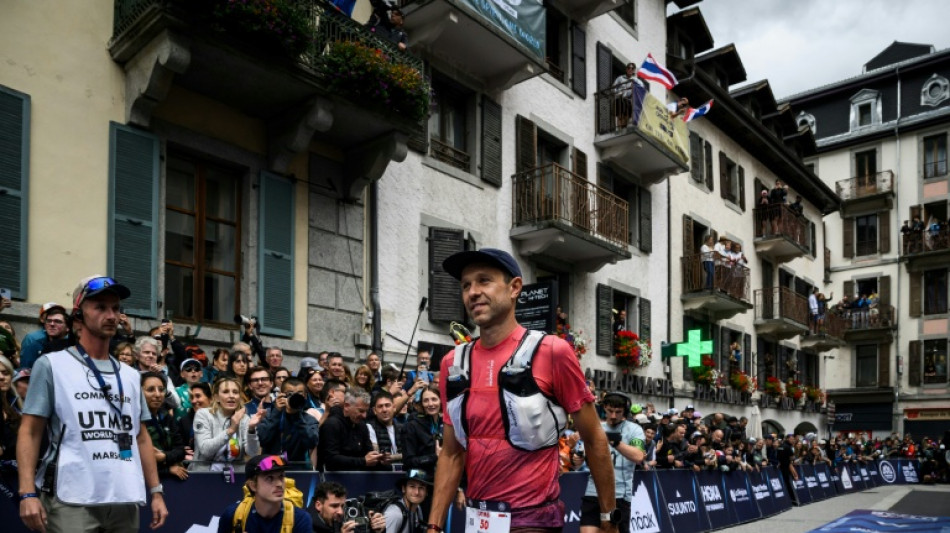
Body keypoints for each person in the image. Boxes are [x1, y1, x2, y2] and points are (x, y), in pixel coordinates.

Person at [429, 248, 620, 533]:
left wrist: (607, 517)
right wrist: (433, 526)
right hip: (479, 520)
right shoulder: (452, 364)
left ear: (515, 287)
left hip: (534, 522)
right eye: (466, 285)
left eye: (484, 280)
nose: (473, 292)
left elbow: (594, 440)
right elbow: (452, 453)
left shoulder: (552, 351)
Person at [17, 275, 168, 531]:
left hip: (123, 497)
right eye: (100, 307)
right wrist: (27, 493)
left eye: (115, 308)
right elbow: (30, 430)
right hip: (70, 498)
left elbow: (140, 436)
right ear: (79, 314)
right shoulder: (52, 365)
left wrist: (156, 491)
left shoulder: (131, 375)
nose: (111, 315)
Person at [579, 393, 644, 533]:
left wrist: (616, 443)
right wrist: (577, 460)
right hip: (593, 491)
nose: (613, 416)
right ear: (604, 409)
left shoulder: (634, 430)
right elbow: (583, 459)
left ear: (625, 411)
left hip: (619, 494)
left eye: (618, 412)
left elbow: (639, 456)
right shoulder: (595, 428)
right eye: (610, 411)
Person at [218, 454, 312, 533]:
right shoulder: (232, 515)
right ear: (253, 486)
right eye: (270, 478)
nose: (279, 484)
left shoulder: (299, 519)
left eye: (281, 476)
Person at [192, 376, 264, 471]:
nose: (231, 396)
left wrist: (251, 429)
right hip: (206, 476)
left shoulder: (244, 419)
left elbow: (253, 452)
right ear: (216, 397)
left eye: (235, 392)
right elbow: (205, 450)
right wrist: (230, 430)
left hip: (236, 476)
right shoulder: (203, 414)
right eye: (226, 392)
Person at [257, 377, 320, 465]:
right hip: (271, 468)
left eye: (299, 394)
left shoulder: (309, 419)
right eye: (289, 394)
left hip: (297, 469)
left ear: (305, 396)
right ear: (281, 394)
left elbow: (312, 442)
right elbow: (262, 440)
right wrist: (277, 412)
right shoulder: (269, 414)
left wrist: (296, 416)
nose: (293, 398)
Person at [318, 389, 382, 471]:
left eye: (366, 411)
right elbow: (331, 458)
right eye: (361, 411)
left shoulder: (362, 426)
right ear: (347, 406)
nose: (364, 416)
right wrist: (362, 461)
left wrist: (379, 459)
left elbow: (368, 454)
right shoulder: (332, 424)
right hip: (333, 479)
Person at [141, 371, 189, 480]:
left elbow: (181, 450)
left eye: (161, 389)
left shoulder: (167, 417)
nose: (157, 394)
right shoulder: (134, 420)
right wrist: (166, 471)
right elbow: (135, 461)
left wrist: (164, 457)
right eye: (150, 389)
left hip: (172, 476)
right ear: (139, 392)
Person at [310, 481, 386, 533]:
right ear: (318, 505)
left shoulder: (346, 521)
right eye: (334, 506)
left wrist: (376, 530)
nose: (341, 512)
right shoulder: (305, 526)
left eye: (343, 506)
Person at [402, 385, 442, 477]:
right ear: (421, 404)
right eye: (426, 400)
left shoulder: (446, 425)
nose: (430, 404)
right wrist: (434, 457)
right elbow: (408, 461)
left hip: (444, 478)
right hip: (421, 481)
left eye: (434, 399)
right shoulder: (411, 426)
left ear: (441, 401)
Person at [18, 303, 72, 369]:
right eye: (49, 321)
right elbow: (24, 371)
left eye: (57, 321)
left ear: (68, 327)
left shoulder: (73, 347)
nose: (52, 324)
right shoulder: (34, 346)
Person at [367, 391, 404, 471]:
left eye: (387, 405)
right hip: (382, 474)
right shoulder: (369, 427)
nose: (384, 410)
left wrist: (393, 457)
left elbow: (410, 454)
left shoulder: (403, 428)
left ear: (394, 407)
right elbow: (376, 455)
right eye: (380, 406)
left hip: (403, 473)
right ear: (374, 410)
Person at [612, 63, 643, 129]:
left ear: (634, 70)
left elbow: (642, 87)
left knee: (626, 115)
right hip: (619, 99)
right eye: (629, 68)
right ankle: (619, 128)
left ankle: (624, 128)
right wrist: (617, 93)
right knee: (619, 115)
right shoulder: (620, 78)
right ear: (626, 69)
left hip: (628, 100)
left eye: (632, 68)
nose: (630, 69)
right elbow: (613, 87)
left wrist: (635, 87)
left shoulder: (635, 80)